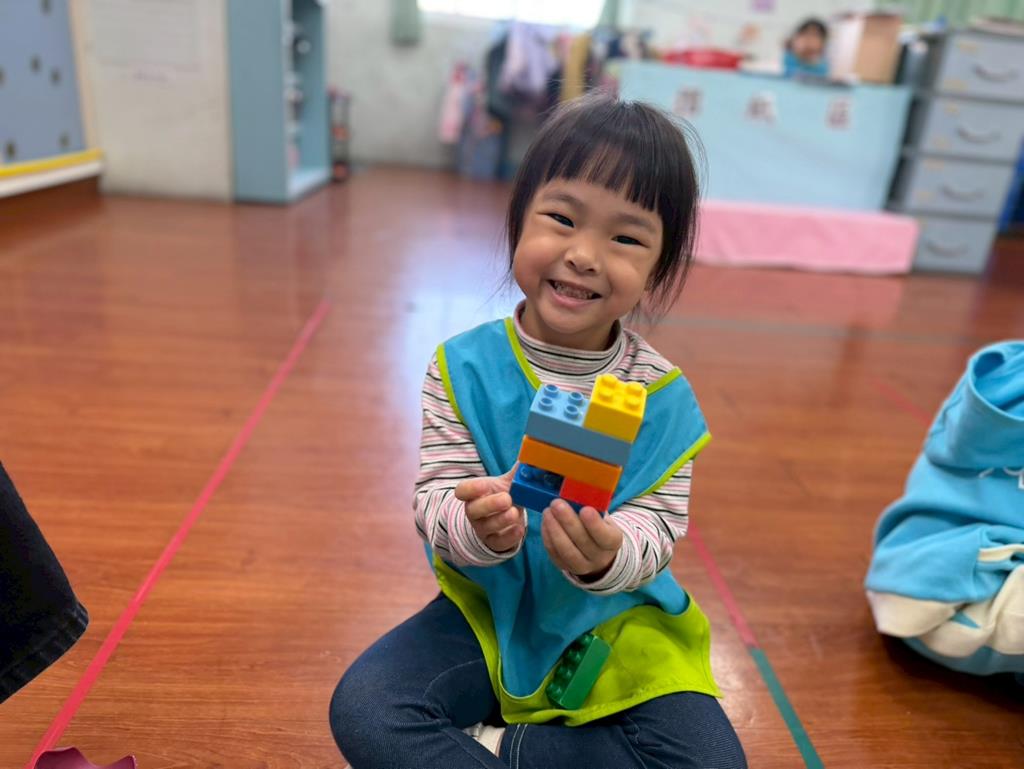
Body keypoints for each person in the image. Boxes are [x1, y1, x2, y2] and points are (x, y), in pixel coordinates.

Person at [329, 94, 747, 769]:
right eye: (562, 219)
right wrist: (477, 526)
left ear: (659, 267)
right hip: (489, 611)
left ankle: (497, 746)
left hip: (617, 621)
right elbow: (434, 498)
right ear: (518, 219)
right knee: (368, 708)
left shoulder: (662, 396)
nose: (583, 255)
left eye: (626, 238)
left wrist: (609, 554)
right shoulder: (464, 367)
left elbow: (661, 525)